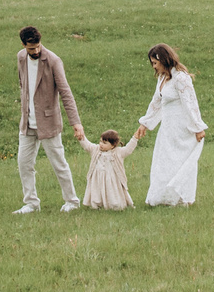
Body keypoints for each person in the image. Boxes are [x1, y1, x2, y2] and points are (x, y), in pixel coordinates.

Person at [13, 25, 87, 214]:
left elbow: (65, 92)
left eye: (38, 46)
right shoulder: (21, 57)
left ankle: (72, 200)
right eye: (31, 48)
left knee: (59, 163)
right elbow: (23, 86)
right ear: (23, 45)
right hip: (27, 123)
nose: (36, 51)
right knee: (24, 163)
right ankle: (31, 203)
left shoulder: (53, 60)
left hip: (49, 122)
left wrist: (76, 123)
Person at [134, 42, 207, 206]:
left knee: (179, 161)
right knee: (163, 161)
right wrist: (144, 124)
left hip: (182, 128)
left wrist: (197, 127)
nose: (153, 67)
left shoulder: (181, 78)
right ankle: (163, 197)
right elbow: (156, 103)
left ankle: (181, 198)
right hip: (167, 128)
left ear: (164, 60)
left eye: (155, 63)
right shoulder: (162, 79)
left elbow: (190, 103)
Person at [79, 128, 138, 211]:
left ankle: (114, 206)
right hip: (98, 177)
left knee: (112, 193)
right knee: (97, 192)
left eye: (105, 143)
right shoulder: (95, 149)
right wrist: (81, 138)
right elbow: (87, 145)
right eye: (100, 141)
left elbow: (128, 149)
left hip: (112, 178)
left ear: (113, 145)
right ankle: (97, 205)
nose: (101, 144)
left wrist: (135, 138)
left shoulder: (118, 152)